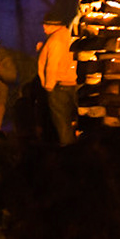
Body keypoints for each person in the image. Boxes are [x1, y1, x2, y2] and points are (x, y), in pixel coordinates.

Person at [37, 12, 79, 146]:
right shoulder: (68, 35)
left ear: (53, 25)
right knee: (73, 120)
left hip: (59, 86)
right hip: (73, 83)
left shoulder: (55, 40)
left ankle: (67, 150)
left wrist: (49, 85)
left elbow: (52, 64)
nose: (43, 28)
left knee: (62, 122)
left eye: (45, 25)